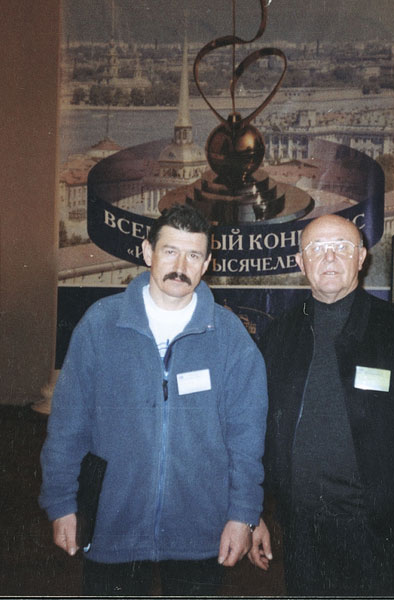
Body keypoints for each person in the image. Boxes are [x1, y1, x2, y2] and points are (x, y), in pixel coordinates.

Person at [39, 204, 268, 596]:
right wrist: (61, 502)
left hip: (201, 529)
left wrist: (243, 515)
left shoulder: (229, 336)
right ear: (148, 252)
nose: (180, 266)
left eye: (193, 255)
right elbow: (67, 424)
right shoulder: (100, 324)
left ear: (206, 264)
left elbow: (247, 438)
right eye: (170, 251)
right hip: (113, 524)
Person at [249, 214, 394, 596]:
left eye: (342, 247)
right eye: (317, 248)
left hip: (386, 536)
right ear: (300, 262)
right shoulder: (279, 336)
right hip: (304, 536)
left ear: (361, 257)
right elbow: (256, 432)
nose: (330, 257)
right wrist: (254, 515)